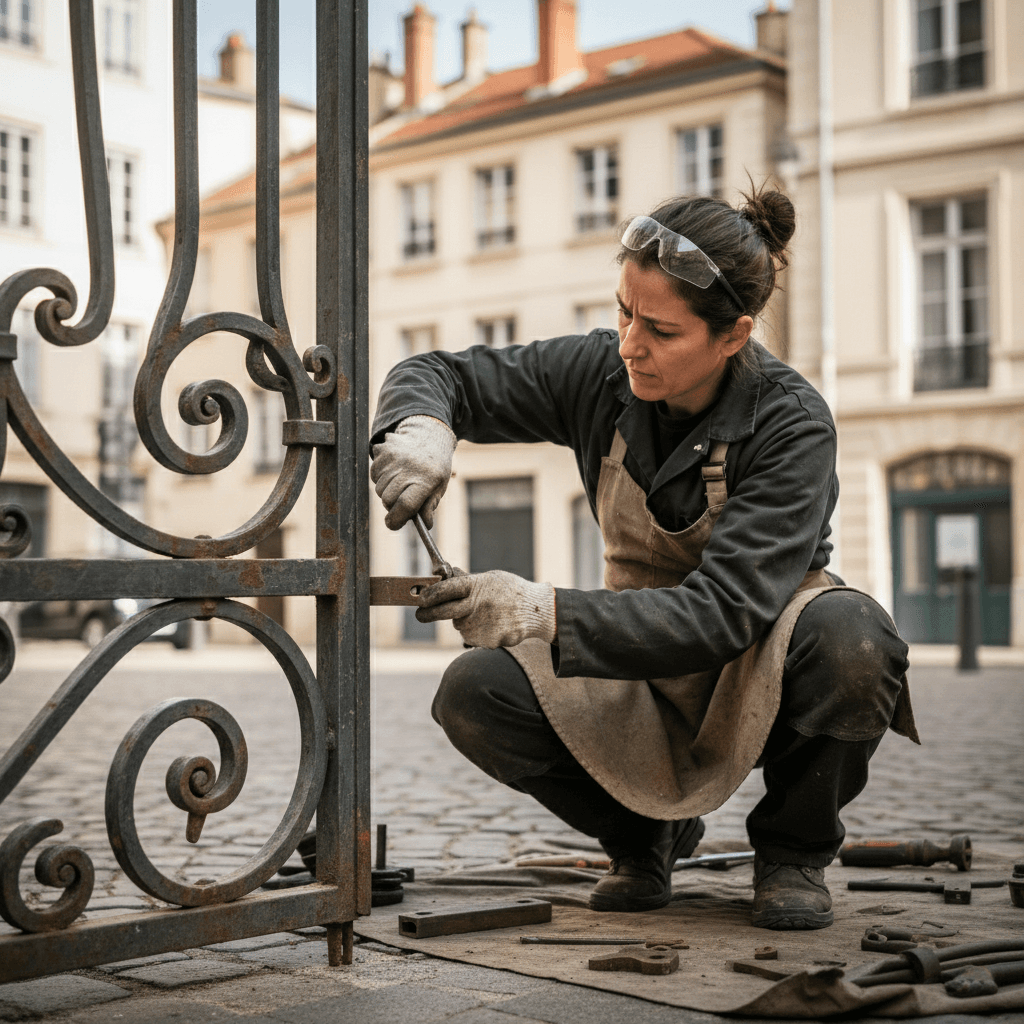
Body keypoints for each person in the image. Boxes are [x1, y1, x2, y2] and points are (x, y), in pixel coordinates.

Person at [369, 183, 918, 931]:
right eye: (624, 312)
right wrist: (422, 426)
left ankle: (793, 851)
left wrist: (538, 610)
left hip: (759, 654)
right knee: (474, 693)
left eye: (660, 330)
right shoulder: (603, 374)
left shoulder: (793, 426)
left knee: (855, 639)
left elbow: (722, 613)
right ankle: (647, 839)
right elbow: (442, 371)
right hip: (638, 660)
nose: (630, 342)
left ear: (733, 336)